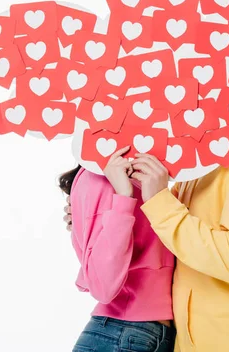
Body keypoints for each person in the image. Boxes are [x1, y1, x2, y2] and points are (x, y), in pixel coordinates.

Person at [64, 143, 229, 351]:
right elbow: (176, 235)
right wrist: (100, 217)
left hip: (210, 340)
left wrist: (151, 201)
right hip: (174, 337)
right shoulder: (206, 160)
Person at [60, 146, 177, 352]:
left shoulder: (151, 178)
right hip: (124, 330)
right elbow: (102, 286)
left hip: (132, 331)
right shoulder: (99, 178)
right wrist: (123, 196)